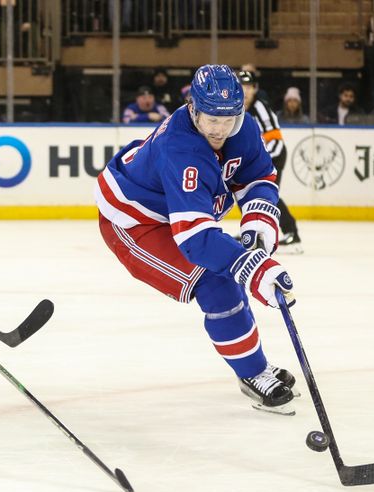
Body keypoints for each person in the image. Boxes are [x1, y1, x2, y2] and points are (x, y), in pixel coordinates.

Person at [95, 64, 298, 415]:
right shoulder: (181, 148)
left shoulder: (244, 126)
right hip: (135, 222)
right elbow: (195, 239)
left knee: (227, 273)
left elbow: (258, 176)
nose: (220, 130)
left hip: (176, 213)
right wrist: (254, 268)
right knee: (215, 282)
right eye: (211, 121)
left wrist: (259, 220)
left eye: (228, 120)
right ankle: (253, 373)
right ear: (193, 110)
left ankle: (255, 366)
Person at [239, 71, 302, 254]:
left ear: (254, 88)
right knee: (245, 193)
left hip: (273, 155)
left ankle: (292, 232)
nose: (245, 91)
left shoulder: (260, 107)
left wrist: (264, 160)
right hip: (256, 159)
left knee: (268, 194)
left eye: (248, 87)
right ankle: (253, 229)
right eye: (241, 87)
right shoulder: (237, 109)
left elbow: (274, 138)